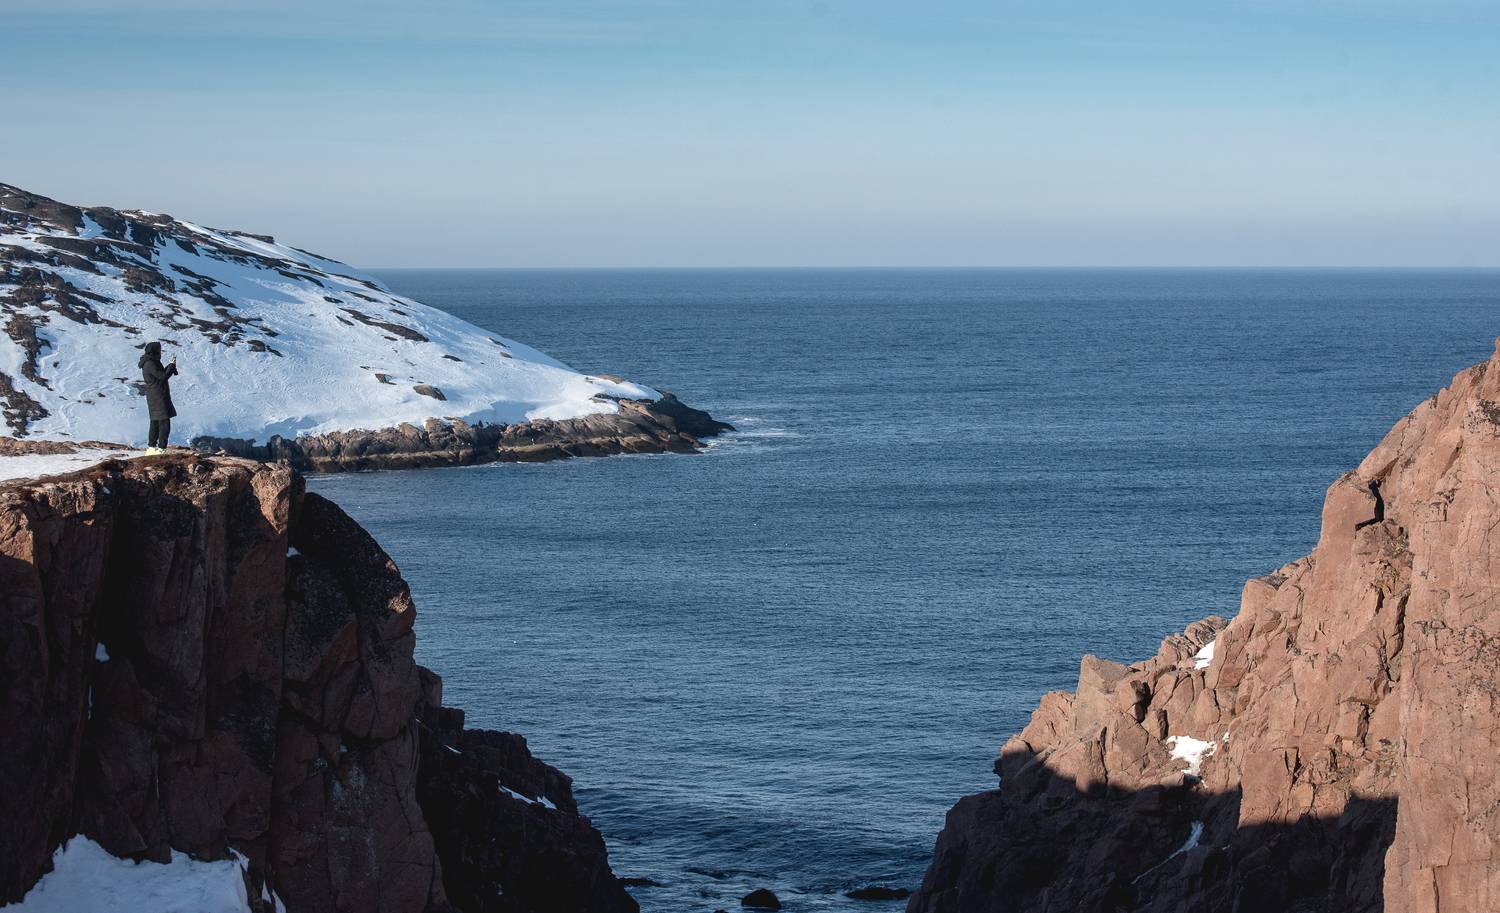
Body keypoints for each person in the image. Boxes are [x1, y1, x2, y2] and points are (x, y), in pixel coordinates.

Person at [138, 341, 178, 452]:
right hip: (158, 395)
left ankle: (152, 447)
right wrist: (171, 366)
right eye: (159, 350)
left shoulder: (149, 362)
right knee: (164, 422)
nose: (160, 352)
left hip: (154, 395)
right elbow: (162, 376)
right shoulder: (150, 363)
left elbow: (159, 375)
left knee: (155, 421)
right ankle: (161, 448)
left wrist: (170, 366)